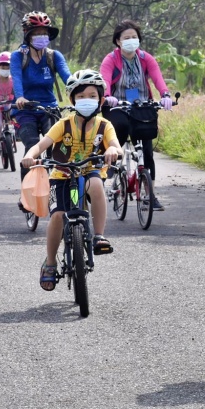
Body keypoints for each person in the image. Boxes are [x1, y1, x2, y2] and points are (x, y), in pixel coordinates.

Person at [20, 70, 121, 291]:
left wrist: (113, 150)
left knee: (96, 183)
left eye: (93, 95)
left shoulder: (105, 125)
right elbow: (42, 144)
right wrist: (30, 155)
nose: (87, 100)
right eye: (81, 96)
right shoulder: (63, 124)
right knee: (57, 215)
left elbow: (115, 144)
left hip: (90, 171)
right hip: (62, 175)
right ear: (72, 100)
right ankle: (50, 262)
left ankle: (99, 236)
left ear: (101, 99)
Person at [100, 19, 174, 211]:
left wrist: (165, 95)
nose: (131, 40)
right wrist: (107, 96)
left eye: (134, 37)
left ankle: (150, 195)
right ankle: (112, 161)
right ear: (118, 41)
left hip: (141, 105)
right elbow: (105, 80)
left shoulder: (146, 58)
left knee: (147, 152)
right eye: (126, 38)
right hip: (117, 105)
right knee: (120, 126)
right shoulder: (111, 59)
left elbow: (157, 78)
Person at [11, 11, 72, 204]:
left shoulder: (54, 56)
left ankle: (62, 191)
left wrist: (82, 93)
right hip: (25, 110)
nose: (41, 37)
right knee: (31, 148)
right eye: (37, 33)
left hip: (49, 109)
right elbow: (17, 78)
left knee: (59, 149)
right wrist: (20, 97)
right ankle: (26, 195)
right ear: (27, 34)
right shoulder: (18, 56)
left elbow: (68, 78)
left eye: (44, 33)